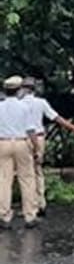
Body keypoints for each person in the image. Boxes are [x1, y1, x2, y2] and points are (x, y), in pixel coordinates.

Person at [20, 76, 74, 216]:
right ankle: (41, 203)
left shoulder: (19, 103)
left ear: (23, 88)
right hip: (39, 138)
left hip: (23, 139)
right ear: (34, 89)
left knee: (25, 174)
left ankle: (29, 206)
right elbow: (57, 118)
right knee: (38, 171)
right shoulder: (41, 103)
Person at [0, 76, 41, 229]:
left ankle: (4, 216)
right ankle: (30, 216)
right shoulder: (24, 107)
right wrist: (37, 148)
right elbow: (31, 130)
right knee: (27, 179)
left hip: (3, 143)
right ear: (19, 90)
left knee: (4, 180)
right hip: (21, 143)